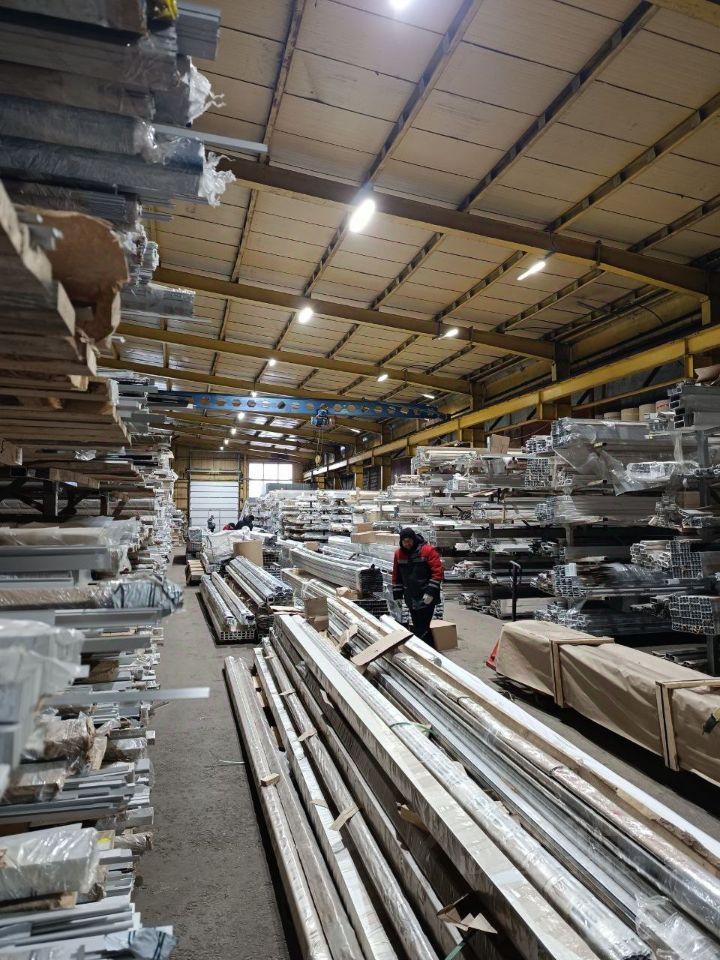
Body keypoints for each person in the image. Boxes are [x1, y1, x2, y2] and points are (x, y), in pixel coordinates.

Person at [392, 527, 443, 647]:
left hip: (426, 595)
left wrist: (431, 592)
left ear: (414, 539)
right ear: (401, 542)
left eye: (409, 541)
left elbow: (438, 572)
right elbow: (396, 575)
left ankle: (427, 649)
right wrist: (397, 595)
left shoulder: (427, 550)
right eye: (404, 542)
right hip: (411, 596)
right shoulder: (399, 554)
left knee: (423, 626)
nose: (407, 544)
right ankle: (424, 648)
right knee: (417, 624)